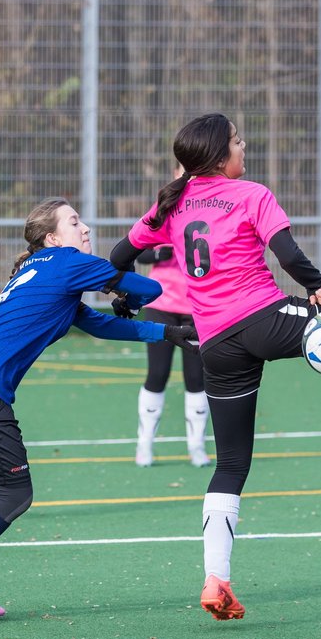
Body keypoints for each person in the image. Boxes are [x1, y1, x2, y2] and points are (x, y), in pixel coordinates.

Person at [108, 112, 321, 622]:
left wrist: (122, 294)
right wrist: (317, 285)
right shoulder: (251, 193)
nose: (245, 146)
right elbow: (287, 253)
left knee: (231, 465)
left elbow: (120, 254)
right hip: (262, 319)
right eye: (238, 140)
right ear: (219, 156)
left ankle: (217, 580)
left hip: (215, 344)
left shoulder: (171, 203)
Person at [0, 198, 198, 627]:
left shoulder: (44, 268)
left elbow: (100, 323)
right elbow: (152, 290)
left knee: (2, 487)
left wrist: (165, 331)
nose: (85, 228)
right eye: (74, 222)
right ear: (52, 238)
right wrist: (122, 289)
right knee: (15, 493)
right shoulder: (66, 261)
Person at [134, 165, 210, 468]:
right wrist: (159, 254)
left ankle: (197, 447)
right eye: (185, 169)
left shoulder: (213, 207)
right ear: (176, 170)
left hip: (197, 307)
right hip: (161, 303)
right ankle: (145, 446)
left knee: (197, 378)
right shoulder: (165, 205)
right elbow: (139, 251)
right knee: (157, 374)